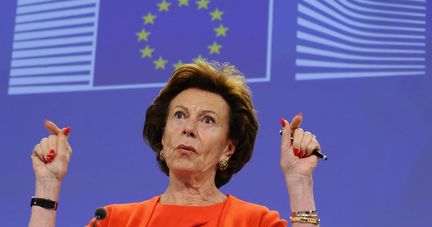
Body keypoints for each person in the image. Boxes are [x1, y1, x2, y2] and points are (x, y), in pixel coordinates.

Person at [29, 60, 322, 227]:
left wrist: (299, 182)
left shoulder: (253, 221)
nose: (188, 129)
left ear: (228, 148)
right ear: (162, 135)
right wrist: (47, 185)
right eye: (179, 116)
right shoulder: (115, 221)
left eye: (207, 120)